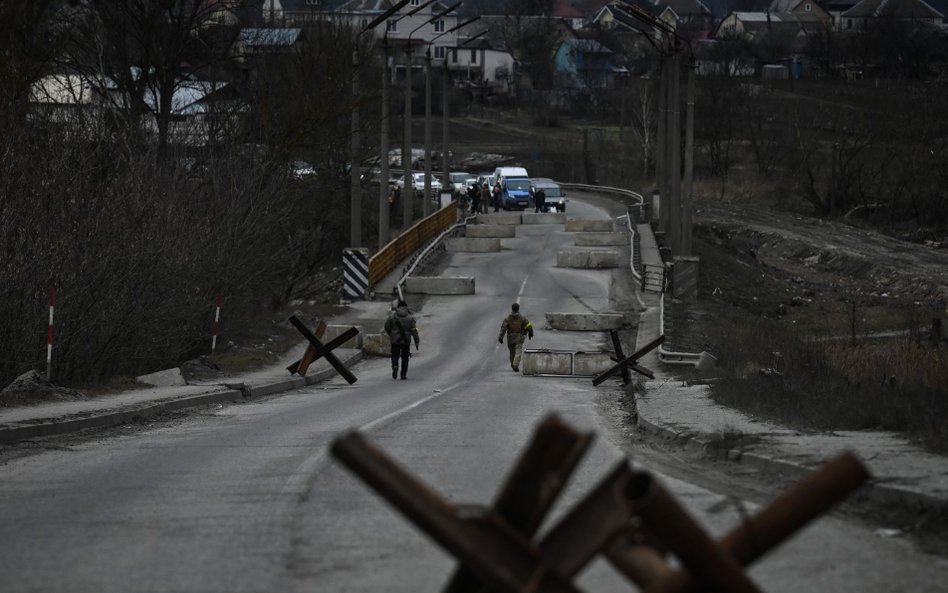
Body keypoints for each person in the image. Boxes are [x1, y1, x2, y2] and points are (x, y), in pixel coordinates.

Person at [384, 300, 420, 380]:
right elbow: (414, 331)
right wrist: (417, 341)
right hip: (406, 341)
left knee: (394, 355)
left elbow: (386, 326)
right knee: (405, 358)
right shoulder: (410, 318)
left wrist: (391, 334)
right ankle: (403, 374)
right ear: (406, 307)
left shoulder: (392, 316)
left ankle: (395, 366)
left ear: (398, 307)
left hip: (395, 340)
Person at [498, 302, 533, 372]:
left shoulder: (507, 318)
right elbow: (528, 325)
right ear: (518, 309)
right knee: (518, 352)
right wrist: (530, 333)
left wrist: (500, 337)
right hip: (519, 337)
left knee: (512, 352)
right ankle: (515, 365)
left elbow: (503, 328)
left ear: (512, 309)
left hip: (510, 337)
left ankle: (513, 364)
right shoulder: (522, 318)